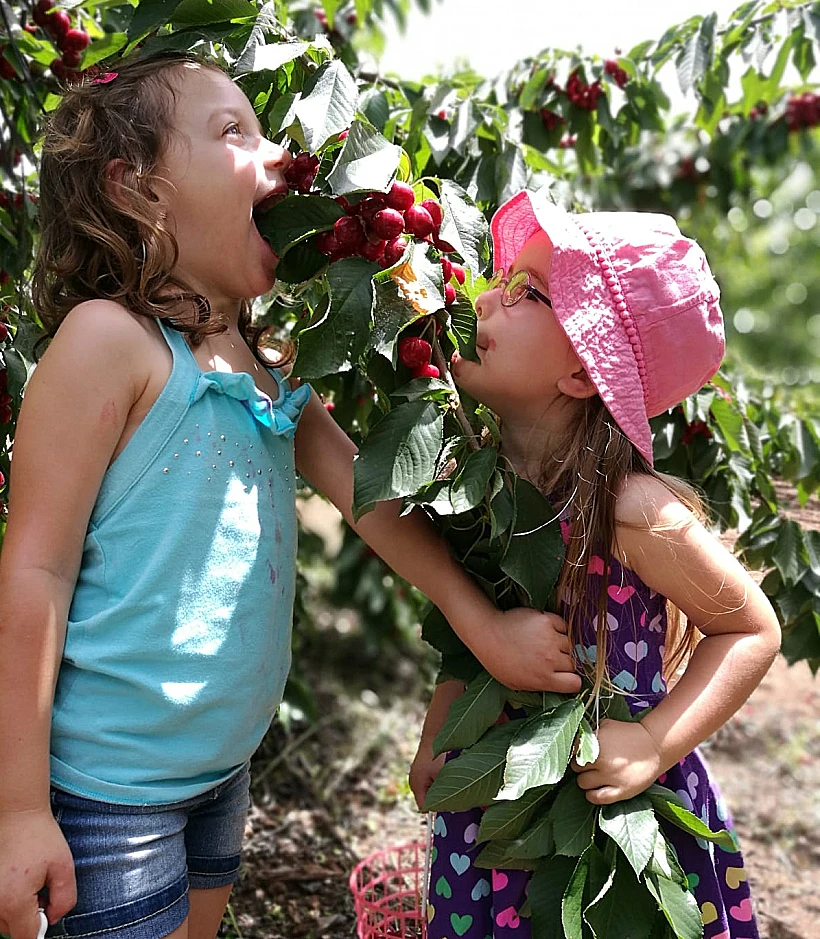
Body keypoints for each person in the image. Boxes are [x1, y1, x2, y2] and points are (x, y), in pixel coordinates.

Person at [0, 56, 583, 939]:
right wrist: (17, 809)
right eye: (234, 132)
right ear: (137, 190)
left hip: (220, 772)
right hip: (108, 792)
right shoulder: (108, 343)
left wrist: (482, 622)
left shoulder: (272, 369)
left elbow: (369, 498)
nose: (280, 158)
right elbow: (34, 573)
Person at [410, 189, 781, 939]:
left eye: (530, 294)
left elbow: (751, 627)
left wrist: (653, 740)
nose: (488, 298)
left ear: (582, 373)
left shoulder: (628, 507)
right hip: (502, 803)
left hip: (609, 817)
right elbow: (475, 638)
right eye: (506, 280)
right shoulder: (480, 483)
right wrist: (437, 735)